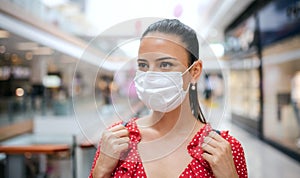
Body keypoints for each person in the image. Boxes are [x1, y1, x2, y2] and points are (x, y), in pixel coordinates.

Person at [89, 19, 247, 178]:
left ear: (195, 71)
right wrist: (100, 171)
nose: (150, 75)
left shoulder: (225, 149)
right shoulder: (117, 139)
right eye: (143, 65)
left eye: (165, 64)